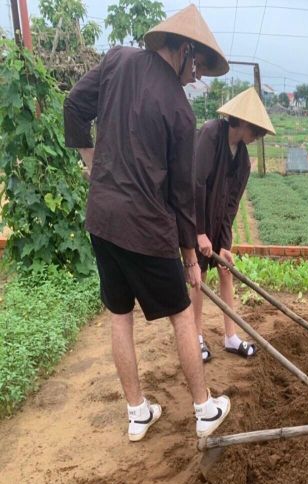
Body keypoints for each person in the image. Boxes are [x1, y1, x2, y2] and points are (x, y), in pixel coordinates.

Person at [64, 5, 232, 442]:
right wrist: (190, 257)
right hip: (144, 227)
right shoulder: (180, 112)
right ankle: (204, 407)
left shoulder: (117, 60)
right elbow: (181, 195)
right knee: (180, 315)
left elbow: (73, 107)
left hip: (101, 218)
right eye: (197, 66)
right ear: (183, 50)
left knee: (119, 316)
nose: (197, 77)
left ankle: (137, 411)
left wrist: (91, 165)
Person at [191, 88, 275, 361]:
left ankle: (230, 336)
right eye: (257, 130)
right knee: (198, 277)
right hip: (195, 218)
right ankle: (196, 337)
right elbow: (197, 183)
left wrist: (224, 244)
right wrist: (200, 232)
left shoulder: (242, 161)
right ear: (243, 122)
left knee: (226, 271)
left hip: (216, 225)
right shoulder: (211, 134)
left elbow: (231, 206)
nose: (258, 136)